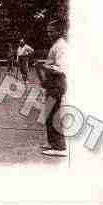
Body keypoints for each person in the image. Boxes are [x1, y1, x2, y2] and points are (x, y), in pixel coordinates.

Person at [36, 18, 69, 157]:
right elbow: (52, 64)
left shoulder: (61, 46)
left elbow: (61, 68)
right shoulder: (55, 45)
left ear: (60, 31)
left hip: (57, 83)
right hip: (52, 83)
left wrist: (43, 66)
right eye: (48, 31)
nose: (49, 33)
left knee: (54, 114)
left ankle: (59, 147)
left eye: (52, 31)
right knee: (49, 113)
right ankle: (53, 142)